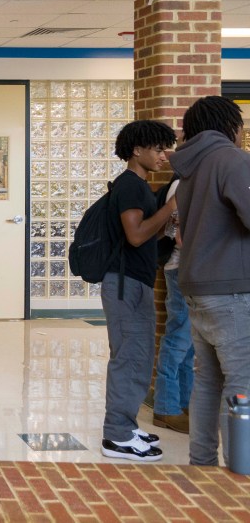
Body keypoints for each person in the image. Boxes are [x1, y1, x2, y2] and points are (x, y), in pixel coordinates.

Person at [169, 95, 250, 467]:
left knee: (207, 382)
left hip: (198, 288)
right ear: (230, 125)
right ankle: (240, 470)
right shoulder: (231, 161)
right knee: (242, 382)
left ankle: (201, 465)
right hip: (233, 290)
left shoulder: (190, 170)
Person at [98, 120, 177, 462]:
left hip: (135, 281)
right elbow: (135, 235)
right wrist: (172, 208)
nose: (164, 155)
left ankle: (127, 426)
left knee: (139, 356)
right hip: (124, 284)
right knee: (129, 357)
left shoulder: (141, 187)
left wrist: (167, 227)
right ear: (136, 150)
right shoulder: (130, 186)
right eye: (158, 149)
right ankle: (116, 435)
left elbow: (145, 237)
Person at [152, 177, 192, 435]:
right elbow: (177, 235)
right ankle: (166, 408)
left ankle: (183, 404)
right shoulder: (183, 184)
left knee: (189, 344)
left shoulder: (194, 180)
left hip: (190, 270)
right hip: (181, 269)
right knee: (178, 337)